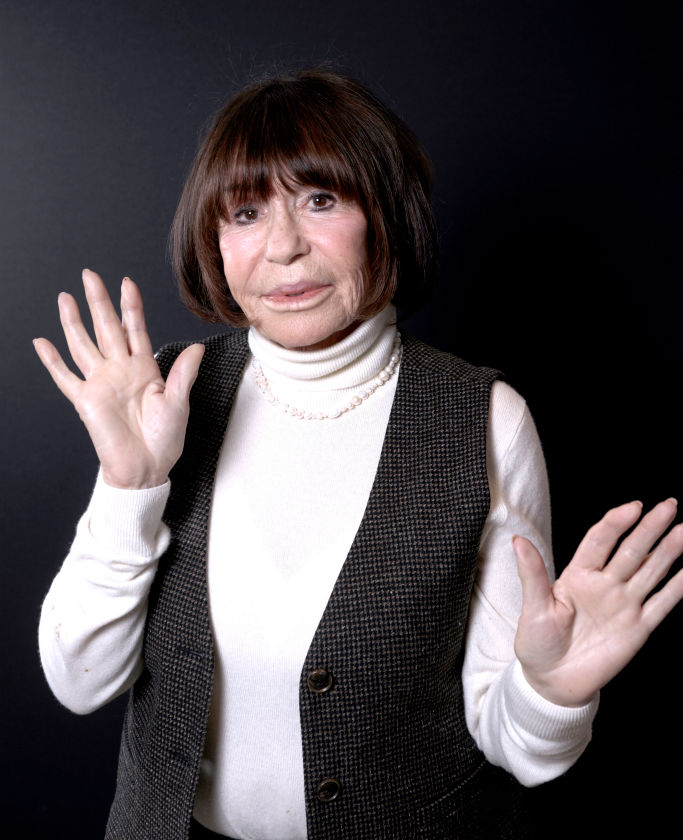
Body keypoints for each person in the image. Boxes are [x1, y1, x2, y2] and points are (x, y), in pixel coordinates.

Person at [35, 69, 683, 840]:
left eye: (320, 200)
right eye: (245, 212)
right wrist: (128, 484)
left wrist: (548, 689)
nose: (282, 246)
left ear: (385, 213)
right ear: (214, 241)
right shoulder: (169, 397)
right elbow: (79, 684)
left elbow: (514, 745)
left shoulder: (483, 420)